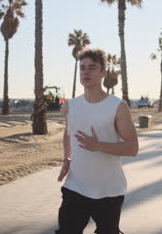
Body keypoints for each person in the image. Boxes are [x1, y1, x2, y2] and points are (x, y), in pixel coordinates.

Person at [56, 48, 139, 234]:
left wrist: (99, 145)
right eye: (82, 68)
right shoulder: (70, 106)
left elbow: (132, 148)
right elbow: (68, 134)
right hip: (75, 187)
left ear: (103, 73)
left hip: (108, 190)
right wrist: (66, 158)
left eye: (92, 68)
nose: (86, 72)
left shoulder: (117, 106)